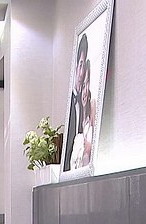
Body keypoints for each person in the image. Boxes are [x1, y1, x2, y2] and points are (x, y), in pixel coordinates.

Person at [63, 33, 88, 171]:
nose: (81, 72)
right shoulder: (71, 105)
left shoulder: (86, 105)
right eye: (80, 65)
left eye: (84, 66)